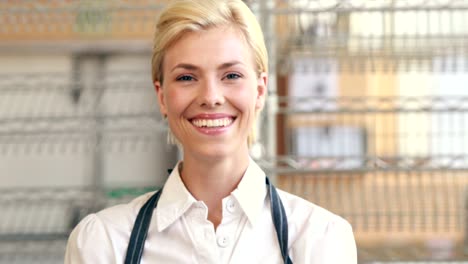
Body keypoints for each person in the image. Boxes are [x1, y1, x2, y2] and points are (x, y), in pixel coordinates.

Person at [64, 0, 357, 263]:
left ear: (259, 90)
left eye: (231, 75)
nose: (211, 96)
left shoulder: (320, 240)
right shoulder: (103, 244)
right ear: (163, 96)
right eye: (187, 77)